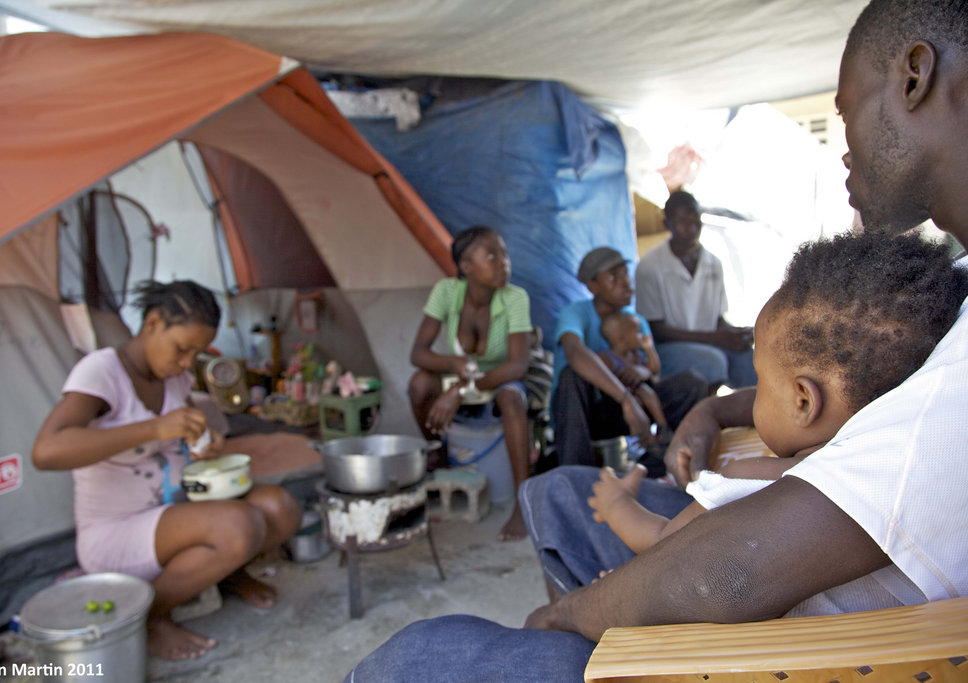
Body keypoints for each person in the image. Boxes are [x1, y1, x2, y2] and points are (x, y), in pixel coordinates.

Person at [346, 1, 968, 679]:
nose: (843, 145)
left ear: (914, 77)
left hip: (762, 647)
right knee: (562, 482)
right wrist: (711, 411)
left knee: (417, 655)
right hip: (761, 571)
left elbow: (724, 573)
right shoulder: (948, 294)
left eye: (846, 112)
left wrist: (568, 614)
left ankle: (591, 649)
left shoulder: (950, 379)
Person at [591, 231, 968, 558]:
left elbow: (663, 544)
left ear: (802, 401)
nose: (755, 394)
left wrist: (616, 503)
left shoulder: (755, 481)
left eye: (760, 381)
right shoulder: (902, 468)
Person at [32, 280, 303, 661]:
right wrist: (153, 429)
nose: (187, 362)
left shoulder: (175, 378)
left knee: (280, 507)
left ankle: (225, 573)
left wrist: (204, 442)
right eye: (182, 348)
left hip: (175, 516)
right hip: (116, 532)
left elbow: (182, 432)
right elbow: (46, 451)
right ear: (153, 324)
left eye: (196, 353)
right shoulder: (102, 371)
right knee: (238, 525)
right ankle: (148, 617)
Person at [407, 226, 532, 541]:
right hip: (460, 375)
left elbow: (518, 365)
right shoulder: (447, 292)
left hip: (499, 378)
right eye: (491, 256)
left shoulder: (515, 297)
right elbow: (418, 354)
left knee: (512, 399)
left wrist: (459, 391)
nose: (503, 262)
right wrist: (453, 364)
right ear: (466, 266)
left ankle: (523, 501)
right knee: (419, 385)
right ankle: (438, 455)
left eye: (504, 254)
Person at [549, 247, 707, 471]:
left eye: (625, 273)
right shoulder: (576, 313)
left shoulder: (636, 321)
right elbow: (574, 352)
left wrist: (642, 372)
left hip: (631, 411)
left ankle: (659, 464)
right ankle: (574, 472)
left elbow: (653, 372)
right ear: (592, 286)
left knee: (692, 384)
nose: (625, 282)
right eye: (613, 277)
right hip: (586, 414)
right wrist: (625, 399)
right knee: (572, 376)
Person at [635, 190, 757, 391]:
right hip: (666, 349)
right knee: (712, 361)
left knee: (750, 360)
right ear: (667, 224)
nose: (691, 228)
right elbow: (657, 331)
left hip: (709, 342)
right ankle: (708, 409)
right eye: (682, 221)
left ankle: (752, 410)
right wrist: (716, 338)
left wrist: (737, 334)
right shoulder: (650, 266)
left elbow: (717, 319)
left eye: (695, 219)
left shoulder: (713, 263)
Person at [596, 311, 670, 443]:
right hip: (619, 398)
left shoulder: (635, 356)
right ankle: (643, 439)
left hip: (639, 390)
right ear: (622, 338)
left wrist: (649, 349)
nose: (641, 336)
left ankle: (662, 428)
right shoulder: (606, 358)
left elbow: (654, 370)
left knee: (647, 392)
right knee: (638, 401)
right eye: (638, 332)